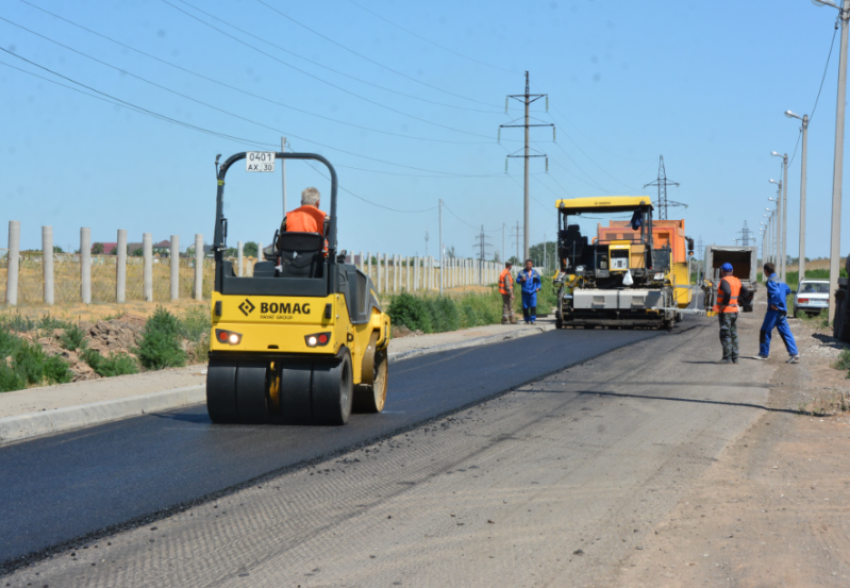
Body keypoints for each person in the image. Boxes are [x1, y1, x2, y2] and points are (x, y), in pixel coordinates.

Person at [755, 262, 800, 363]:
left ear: (766, 271)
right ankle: (794, 354)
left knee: (764, 331)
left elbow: (776, 293)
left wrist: (774, 304)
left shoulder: (771, 281)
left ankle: (763, 353)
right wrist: (782, 301)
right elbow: (787, 290)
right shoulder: (780, 280)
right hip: (782, 311)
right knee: (785, 332)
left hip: (774, 311)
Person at [266, 187, 329, 257]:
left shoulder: (287, 218)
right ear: (318, 202)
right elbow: (332, 244)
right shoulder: (325, 220)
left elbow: (279, 245)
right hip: (317, 264)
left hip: (290, 263)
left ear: (301, 202)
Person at [713, 262, 751, 364]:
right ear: (732, 271)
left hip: (726, 312)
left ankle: (727, 358)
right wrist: (739, 301)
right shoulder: (736, 280)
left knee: (726, 334)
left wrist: (724, 305)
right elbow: (746, 292)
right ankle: (735, 357)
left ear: (722, 271)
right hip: (734, 311)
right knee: (733, 334)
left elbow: (728, 292)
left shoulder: (724, 281)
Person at [516, 259, 541, 324]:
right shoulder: (521, 272)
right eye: (527, 264)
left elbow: (538, 282)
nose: (528, 265)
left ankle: (532, 320)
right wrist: (521, 279)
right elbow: (517, 280)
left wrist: (538, 287)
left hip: (533, 292)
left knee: (533, 306)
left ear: (531, 264)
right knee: (525, 307)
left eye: (529, 264)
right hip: (525, 293)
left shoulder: (535, 273)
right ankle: (527, 320)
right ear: (525, 264)